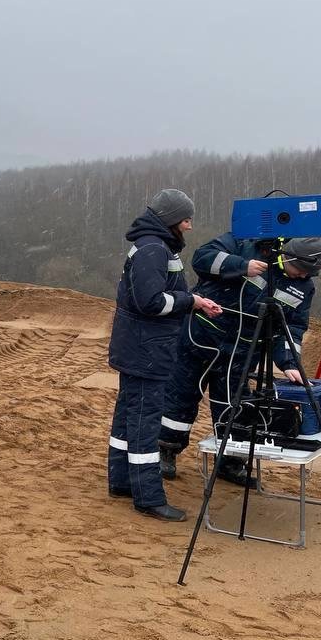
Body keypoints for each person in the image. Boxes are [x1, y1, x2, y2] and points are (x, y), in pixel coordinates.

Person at [158, 234, 321, 485]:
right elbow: (201, 258)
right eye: (300, 270)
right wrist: (240, 266)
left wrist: (290, 363)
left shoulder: (304, 288)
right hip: (201, 337)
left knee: (234, 406)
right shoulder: (246, 244)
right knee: (180, 397)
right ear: (288, 256)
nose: (302, 276)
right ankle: (166, 450)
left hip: (243, 353)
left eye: (309, 274)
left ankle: (230, 461)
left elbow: (292, 328)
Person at [107, 189, 223, 521]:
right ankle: (148, 497)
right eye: (186, 219)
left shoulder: (153, 246)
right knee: (144, 422)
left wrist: (193, 301)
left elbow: (158, 295)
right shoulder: (153, 249)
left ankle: (122, 482)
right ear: (171, 219)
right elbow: (151, 302)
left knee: (128, 418)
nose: (189, 226)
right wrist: (191, 302)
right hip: (147, 351)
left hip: (140, 348)